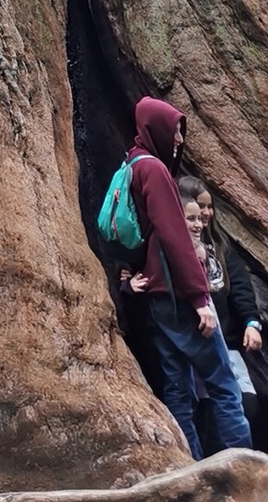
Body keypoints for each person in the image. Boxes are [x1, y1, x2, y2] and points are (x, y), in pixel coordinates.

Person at [122, 97, 249, 458]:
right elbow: (174, 236)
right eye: (175, 129)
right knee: (224, 385)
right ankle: (247, 470)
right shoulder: (156, 172)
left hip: (154, 297)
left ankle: (191, 466)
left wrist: (126, 277)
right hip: (178, 296)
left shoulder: (131, 163)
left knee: (177, 387)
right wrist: (200, 299)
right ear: (157, 128)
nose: (179, 139)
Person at [185, 176, 268, 451]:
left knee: (249, 403)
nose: (205, 214)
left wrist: (251, 322)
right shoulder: (174, 249)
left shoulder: (221, 248)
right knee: (206, 411)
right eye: (199, 206)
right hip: (192, 345)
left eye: (209, 207)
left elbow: (241, 291)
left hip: (227, 345)